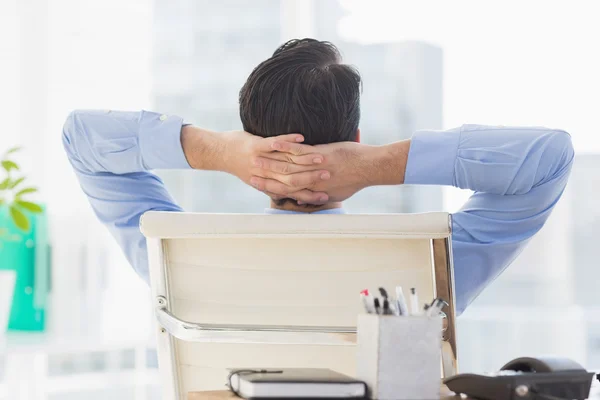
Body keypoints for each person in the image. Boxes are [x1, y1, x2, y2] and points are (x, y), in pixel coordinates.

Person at [62, 39, 574, 314]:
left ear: (249, 135)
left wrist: (218, 152)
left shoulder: (174, 256)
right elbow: (547, 156)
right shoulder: (435, 262)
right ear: (354, 133)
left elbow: (82, 139)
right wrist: (377, 164)